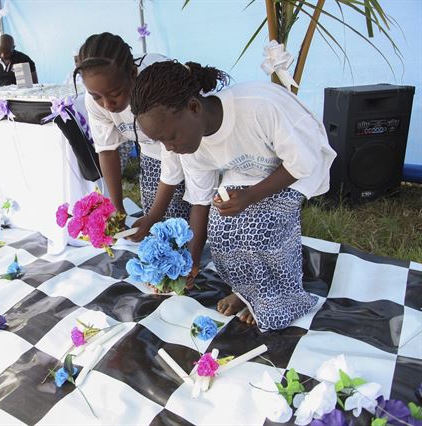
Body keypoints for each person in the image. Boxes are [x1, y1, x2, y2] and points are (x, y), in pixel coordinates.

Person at [129, 60, 336, 330]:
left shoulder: (258, 107)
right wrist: (192, 262)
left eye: (171, 137)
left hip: (299, 165)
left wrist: (250, 198)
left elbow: (300, 163)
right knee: (222, 226)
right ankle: (247, 292)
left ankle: (284, 300)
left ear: (193, 107)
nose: (169, 148)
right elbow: (201, 202)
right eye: (161, 142)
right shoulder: (190, 146)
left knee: (260, 226)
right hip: (250, 170)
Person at [73, 32, 190, 229]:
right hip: (152, 152)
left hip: (190, 146)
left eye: (115, 94)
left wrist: (154, 215)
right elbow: (107, 150)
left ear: (133, 74)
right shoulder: (96, 101)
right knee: (158, 229)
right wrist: (117, 208)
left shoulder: (157, 83)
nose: (107, 104)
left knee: (185, 221)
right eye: (97, 97)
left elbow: (173, 154)